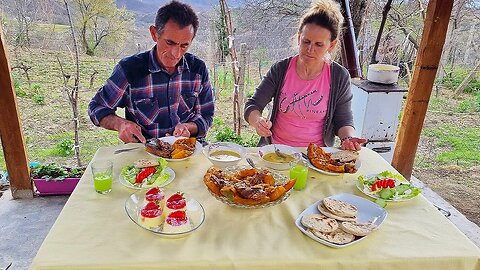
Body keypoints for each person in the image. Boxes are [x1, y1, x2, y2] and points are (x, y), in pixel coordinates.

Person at [244, 0, 366, 151]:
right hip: (275, 151)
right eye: (306, 41)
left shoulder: (339, 76)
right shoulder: (280, 69)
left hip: (316, 155)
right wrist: (258, 122)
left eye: (319, 44)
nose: (310, 49)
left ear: (331, 45)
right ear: (298, 37)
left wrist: (347, 138)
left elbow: (343, 120)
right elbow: (252, 105)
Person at [88, 0, 214, 144]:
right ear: (154, 34)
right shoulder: (130, 70)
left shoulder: (197, 69)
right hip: (145, 152)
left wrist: (188, 127)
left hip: (186, 150)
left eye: (184, 45)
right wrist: (120, 124)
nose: (176, 53)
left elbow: (206, 115)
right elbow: (96, 107)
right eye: (170, 43)